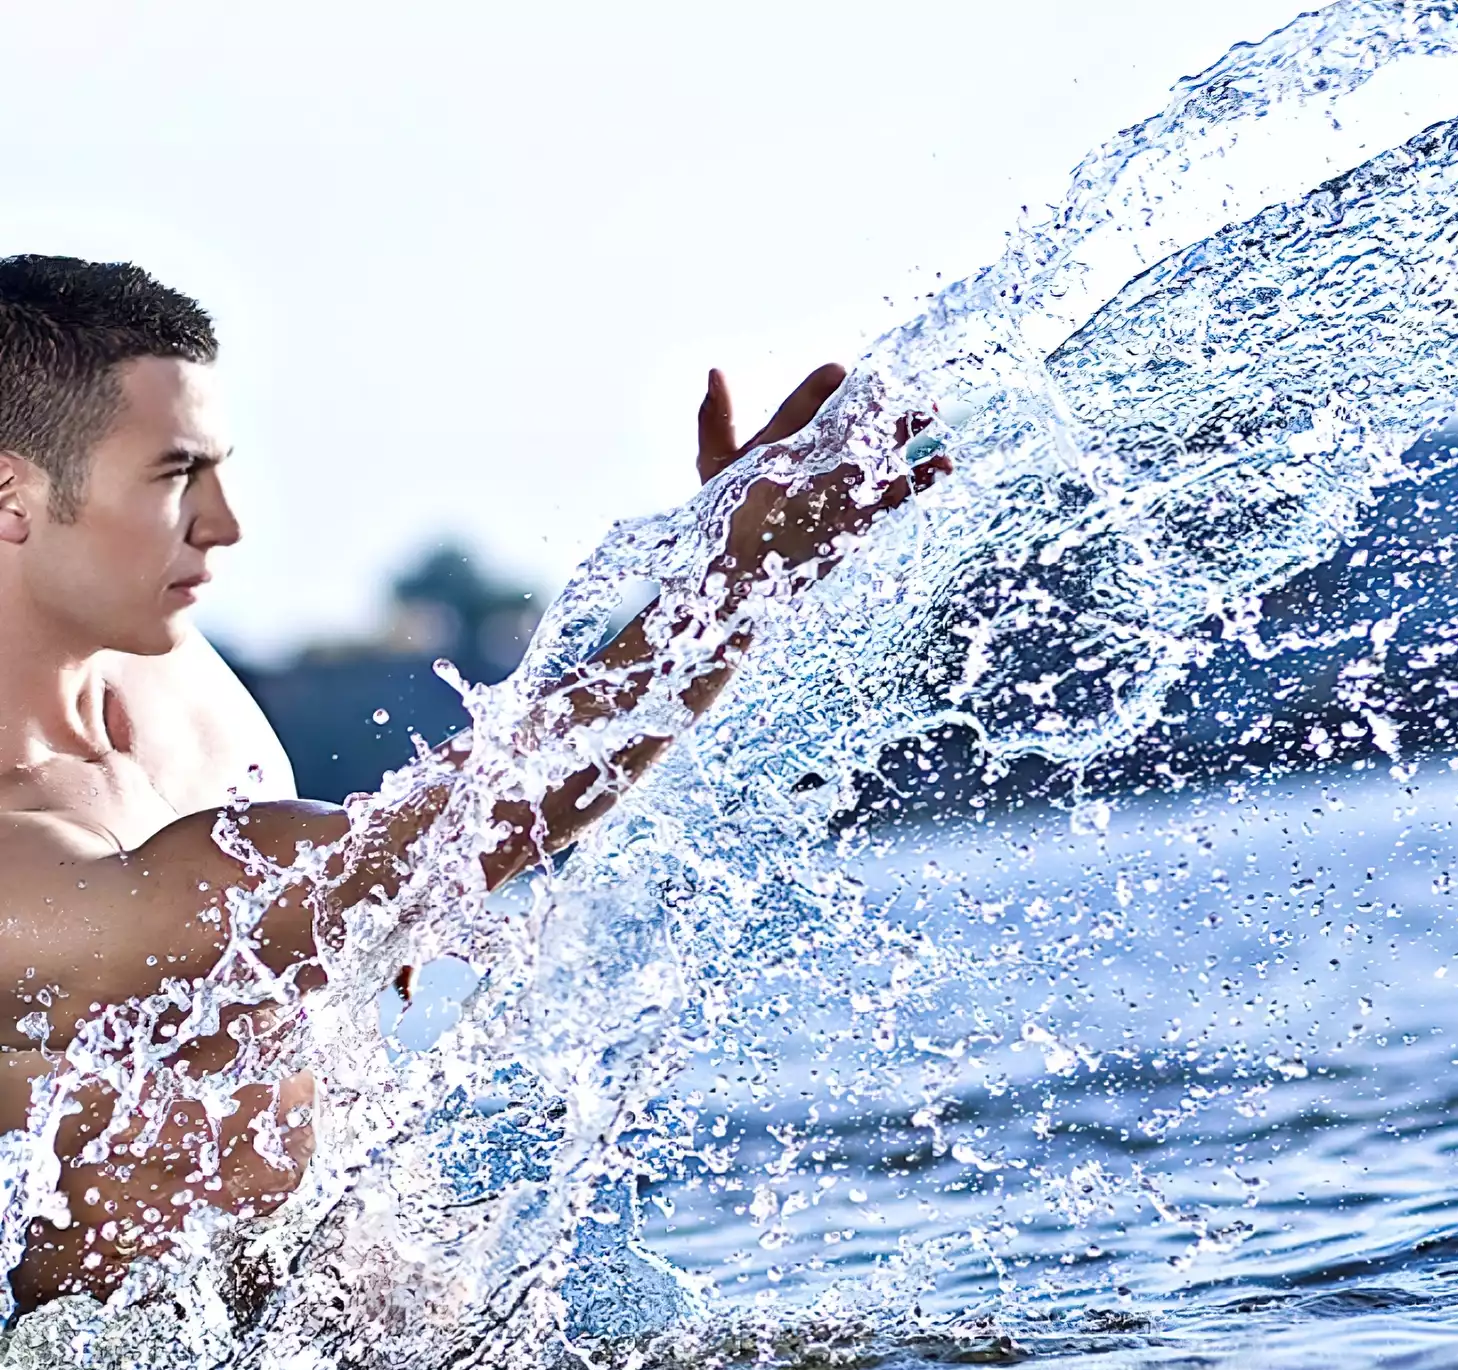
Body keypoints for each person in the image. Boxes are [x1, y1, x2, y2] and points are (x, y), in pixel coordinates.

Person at [0, 255, 941, 1313]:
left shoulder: (172, 671)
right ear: (14, 495)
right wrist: (728, 586)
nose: (226, 524)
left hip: (371, 1343)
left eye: (219, 469)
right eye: (176, 475)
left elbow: (370, 877)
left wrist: (362, 918)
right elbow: (419, 843)